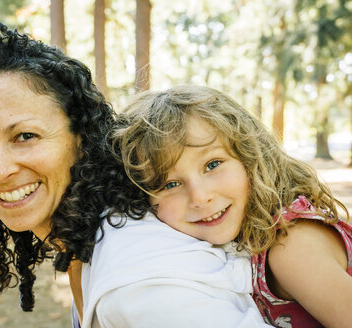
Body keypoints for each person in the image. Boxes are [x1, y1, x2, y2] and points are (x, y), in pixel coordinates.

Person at [0, 23, 269, 328]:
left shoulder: (136, 280)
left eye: (25, 136)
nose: (0, 168)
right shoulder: (88, 246)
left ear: (81, 137)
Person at [112, 84, 352, 328]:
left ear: (249, 157)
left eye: (213, 164)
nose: (200, 197)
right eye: (170, 184)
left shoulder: (291, 246)